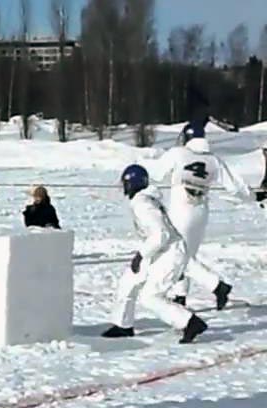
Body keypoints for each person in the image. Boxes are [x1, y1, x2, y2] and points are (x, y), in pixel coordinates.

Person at [101, 165, 207, 344]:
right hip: (158, 250)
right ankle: (123, 325)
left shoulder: (143, 204)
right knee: (128, 282)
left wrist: (141, 255)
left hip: (168, 252)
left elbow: (161, 234)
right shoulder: (143, 200)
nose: (124, 188)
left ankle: (190, 322)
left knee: (150, 297)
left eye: (126, 183)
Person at [154, 131, 254, 309]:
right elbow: (236, 187)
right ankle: (180, 296)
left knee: (177, 254)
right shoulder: (214, 160)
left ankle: (217, 286)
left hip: (180, 209)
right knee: (186, 254)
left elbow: (156, 172)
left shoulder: (178, 153)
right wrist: (252, 196)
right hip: (200, 212)